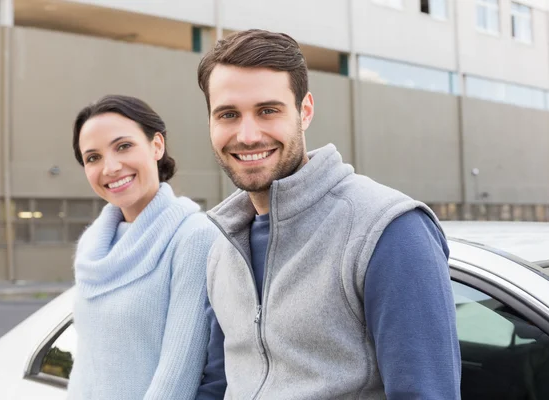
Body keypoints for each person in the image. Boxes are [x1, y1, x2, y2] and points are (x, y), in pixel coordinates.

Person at [195, 30, 461, 399]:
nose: (249, 134)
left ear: (304, 111)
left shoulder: (389, 230)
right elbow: (217, 383)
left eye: (267, 110)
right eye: (228, 114)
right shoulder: (223, 248)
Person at [68, 94, 219, 400]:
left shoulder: (192, 237)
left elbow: (178, 375)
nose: (110, 167)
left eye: (123, 146)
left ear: (156, 146)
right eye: (93, 157)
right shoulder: (92, 245)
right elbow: (85, 365)